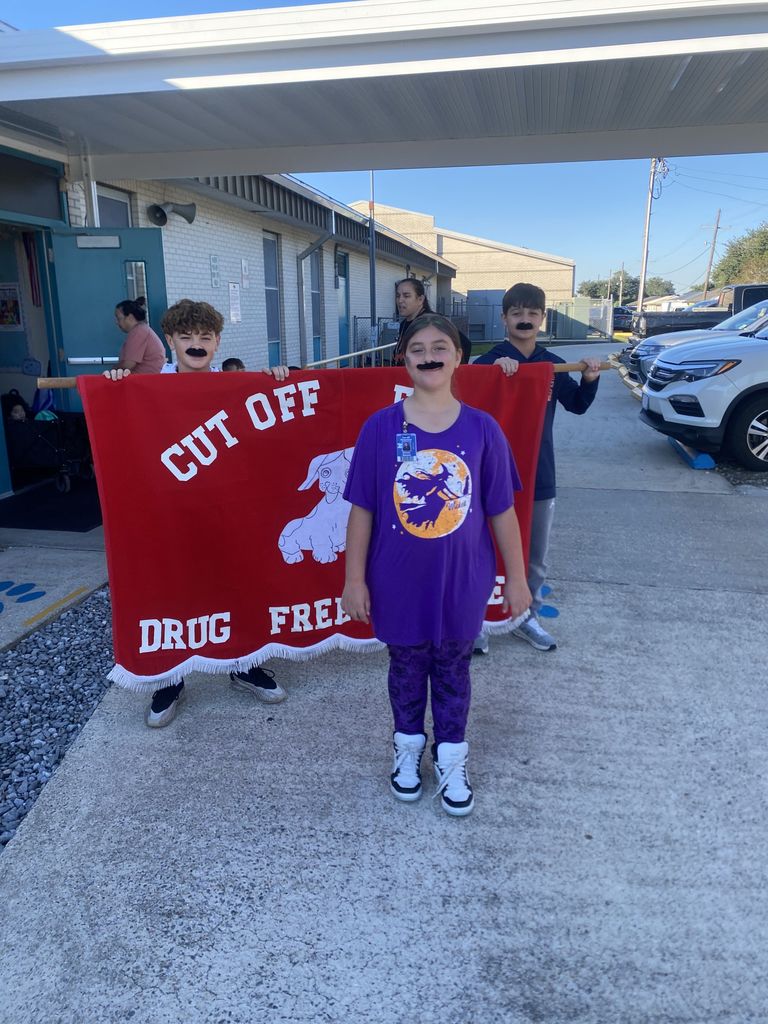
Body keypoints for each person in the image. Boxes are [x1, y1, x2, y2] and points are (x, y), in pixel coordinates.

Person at [341, 313, 531, 816]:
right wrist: (354, 579)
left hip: (462, 582)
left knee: (453, 668)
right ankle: (407, 748)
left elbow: (502, 511)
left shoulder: (483, 429)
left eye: (440, 346)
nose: (429, 355)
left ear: (458, 357)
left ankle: (451, 756)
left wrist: (516, 578)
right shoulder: (380, 428)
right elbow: (362, 510)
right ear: (403, 360)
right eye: (418, 348)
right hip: (397, 581)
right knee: (406, 668)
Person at [105, 298, 290, 727]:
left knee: (237, 585)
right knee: (171, 592)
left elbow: (274, 426)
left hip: (227, 508)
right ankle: (171, 677)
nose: (196, 344)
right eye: (186, 336)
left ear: (217, 342)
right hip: (170, 511)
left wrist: (277, 379)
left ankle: (244, 664)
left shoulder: (236, 385)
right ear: (170, 340)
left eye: (205, 337)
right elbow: (119, 427)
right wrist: (116, 384)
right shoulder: (146, 388)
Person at [473, 282, 601, 653]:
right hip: (489, 473)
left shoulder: (553, 365)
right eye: (517, 313)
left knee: (535, 555)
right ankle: (477, 620)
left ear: (542, 318)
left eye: (532, 313)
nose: (525, 320)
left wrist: (589, 379)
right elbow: (464, 406)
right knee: (482, 549)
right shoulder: (488, 363)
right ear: (504, 318)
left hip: (539, 473)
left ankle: (525, 616)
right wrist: (492, 375)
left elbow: (577, 404)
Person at [393, 278, 472, 365]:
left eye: (406, 296)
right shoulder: (403, 324)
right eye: (398, 296)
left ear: (420, 299)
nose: (400, 300)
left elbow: (465, 344)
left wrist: (451, 370)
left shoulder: (433, 322)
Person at [114, 297, 166, 374]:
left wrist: (113, 370)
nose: (116, 322)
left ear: (130, 317)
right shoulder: (142, 329)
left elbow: (128, 364)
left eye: (119, 318)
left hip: (146, 379)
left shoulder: (138, 331)